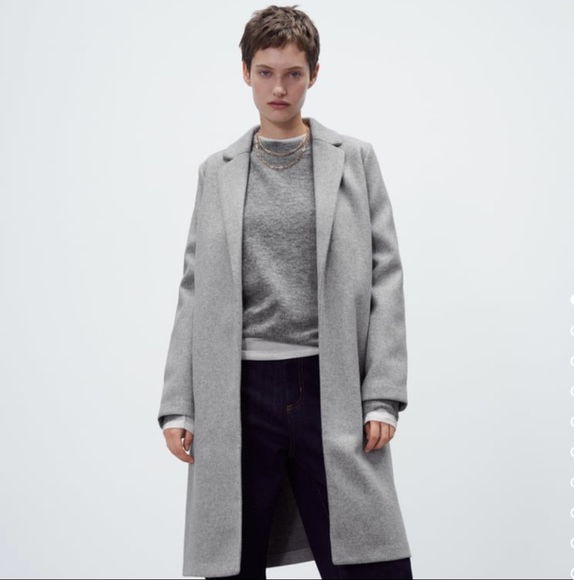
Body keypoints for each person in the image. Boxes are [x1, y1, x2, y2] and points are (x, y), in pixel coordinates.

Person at [158, 5, 413, 579]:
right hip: (239, 391)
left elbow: (386, 276)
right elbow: (194, 288)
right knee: (233, 562)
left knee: (373, 561)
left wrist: (382, 395)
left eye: (293, 73)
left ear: (314, 75)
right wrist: (179, 403)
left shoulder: (354, 160)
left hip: (332, 384)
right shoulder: (217, 171)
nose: (279, 88)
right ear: (246, 73)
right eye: (266, 72)